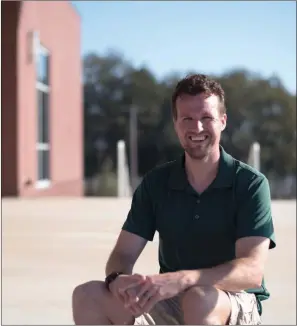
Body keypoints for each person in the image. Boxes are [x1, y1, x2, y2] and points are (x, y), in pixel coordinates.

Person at [72, 74, 276, 325]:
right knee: (87, 295)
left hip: (231, 299)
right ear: (176, 123)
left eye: (206, 118)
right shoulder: (156, 183)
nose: (197, 127)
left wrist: (185, 279)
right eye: (187, 118)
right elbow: (123, 254)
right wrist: (118, 279)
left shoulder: (250, 184)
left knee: (199, 299)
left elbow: (251, 272)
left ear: (222, 121)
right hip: (170, 297)